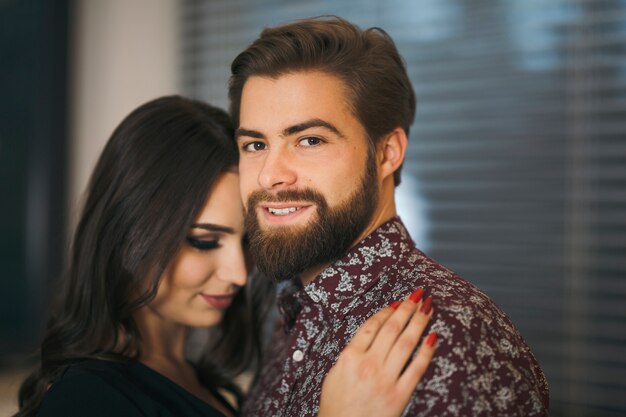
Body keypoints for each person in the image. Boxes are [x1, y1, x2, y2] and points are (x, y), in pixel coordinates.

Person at [14, 96, 437, 417]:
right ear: (130, 233)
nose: (237, 274)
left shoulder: (197, 379)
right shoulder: (85, 399)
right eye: (203, 241)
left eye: (247, 242)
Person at [229, 16, 550, 417]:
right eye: (255, 144)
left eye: (309, 140)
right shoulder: (295, 314)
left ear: (387, 152)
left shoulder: (443, 340)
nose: (270, 175)